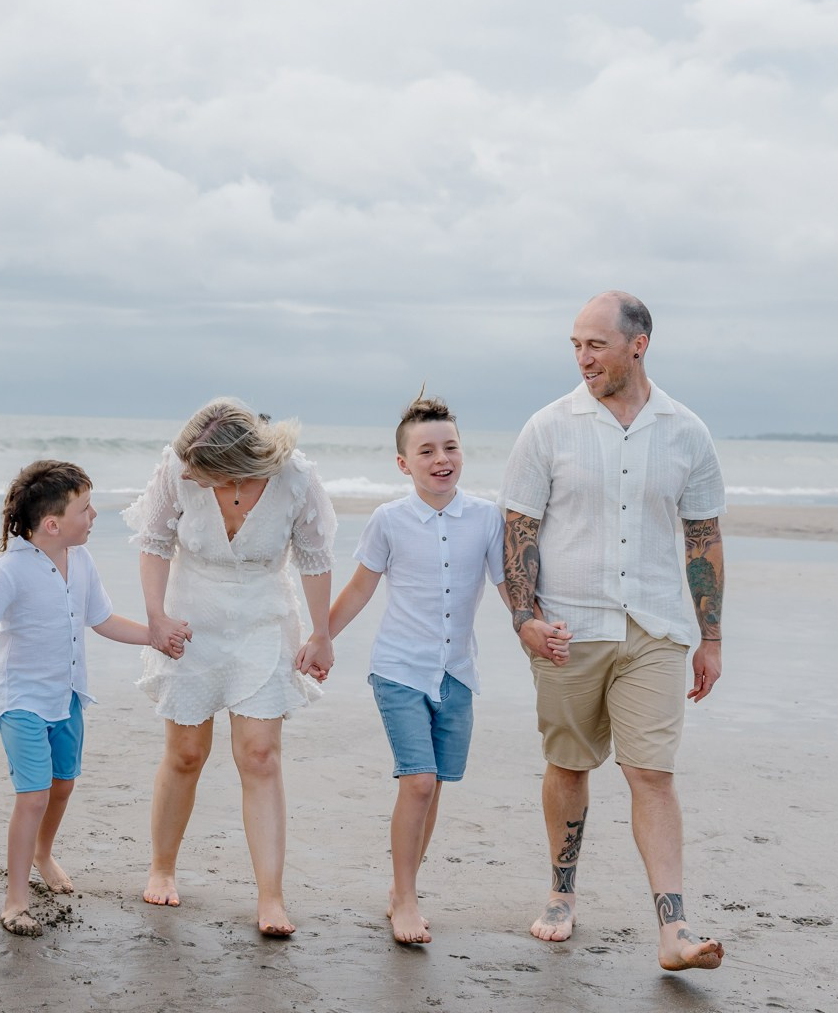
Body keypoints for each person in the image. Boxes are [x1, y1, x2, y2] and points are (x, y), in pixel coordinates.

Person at [501, 291, 727, 972]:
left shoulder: (687, 432)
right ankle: (562, 893)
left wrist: (710, 637)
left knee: (651, 772)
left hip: (656, 626)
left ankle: (675, 928)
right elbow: (518, 531)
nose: (582, 356)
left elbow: (703, 537)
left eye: (594, 343)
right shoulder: (547, 427)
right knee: (569, 763)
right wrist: (525, 620)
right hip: (570, 625)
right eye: (575, 344)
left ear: (639, 344)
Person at [125, 397, 336, 937]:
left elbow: (314, 560)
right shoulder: (178, 467)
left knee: (260, 756)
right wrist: (156, 617)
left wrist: (321, 634)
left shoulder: (295, 479)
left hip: (264, 620)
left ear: (237, 465)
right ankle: (162, 867)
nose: (189, 474)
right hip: (192, 617)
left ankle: (271, 898)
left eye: (203, 469)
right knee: (187, 752)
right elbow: (153, 542)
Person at [324, 395, 504, 944]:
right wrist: (319, 638)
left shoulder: (487, 517)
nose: (440, 458)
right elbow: (359, 588)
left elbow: (508, 587)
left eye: (449, 447)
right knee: (418, 781)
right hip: (399, 668)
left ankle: (402, 886)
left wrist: (538, 629)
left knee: (434, 787)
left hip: (457, 673)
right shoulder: (389, 521)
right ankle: (404, 899)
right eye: (425, 450)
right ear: (404, 463)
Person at [0, 461, 163, 937]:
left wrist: (156, 635)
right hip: (22, 701)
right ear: (52, 524)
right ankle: (16, 899)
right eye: (85, 508)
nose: (94, 515)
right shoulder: (11, 569)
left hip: (68, 696)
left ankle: (43, 852)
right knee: (32, 796)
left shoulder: (82, 562)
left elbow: (103, 621)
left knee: (63, 785)